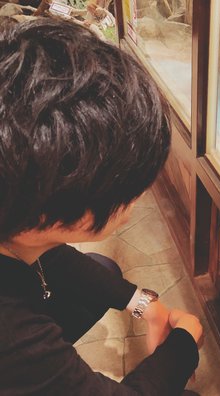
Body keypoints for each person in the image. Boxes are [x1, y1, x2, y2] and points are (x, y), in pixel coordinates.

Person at [0, 16, 203, 395]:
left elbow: (51, 255)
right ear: (43, 211)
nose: (135, 199)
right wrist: (186, 343)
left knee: (100, 269)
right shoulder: (10, 334)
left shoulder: (14, 217)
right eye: (124, 189)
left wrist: (141, 302)